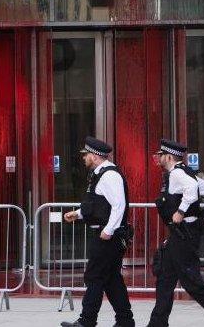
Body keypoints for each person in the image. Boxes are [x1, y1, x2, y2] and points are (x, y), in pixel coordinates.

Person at [147, 139, 204, 327]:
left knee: (191, 281)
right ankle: (157, 323)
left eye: (160, 155)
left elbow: (191, 189)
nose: (158, 158)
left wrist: (181, 211)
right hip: (179, 235)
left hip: (184, 235)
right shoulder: (180, 173)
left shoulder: (178, 173)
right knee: (165, 278)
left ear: (169, 156)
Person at [61, 137, 135, 327]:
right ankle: (125, 321)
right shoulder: (99, 174)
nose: (84, 158)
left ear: (94, 156)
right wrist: (77, 214)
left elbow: (119, 205)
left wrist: (109, 230)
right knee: (111, 280)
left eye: (86, 155)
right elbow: (96, 206)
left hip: (108, 236)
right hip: (105, 234)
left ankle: (87, 321)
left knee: (94, 277)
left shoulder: (110, 175)